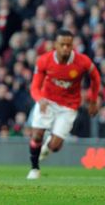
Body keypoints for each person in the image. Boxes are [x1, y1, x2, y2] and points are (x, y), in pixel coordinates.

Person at [27, 29, 100, 179]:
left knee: (55, 147)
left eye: (69, 45)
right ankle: (34, 169)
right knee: (36, 135)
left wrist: (93, 100)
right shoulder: (44, 61)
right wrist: (39, 99)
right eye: (62, 44)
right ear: (55, 45)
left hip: (69, 106)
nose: (66, 48)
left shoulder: (82, 61)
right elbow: (34, 86)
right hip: (47, 101)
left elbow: (96, 78)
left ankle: (47, 146)